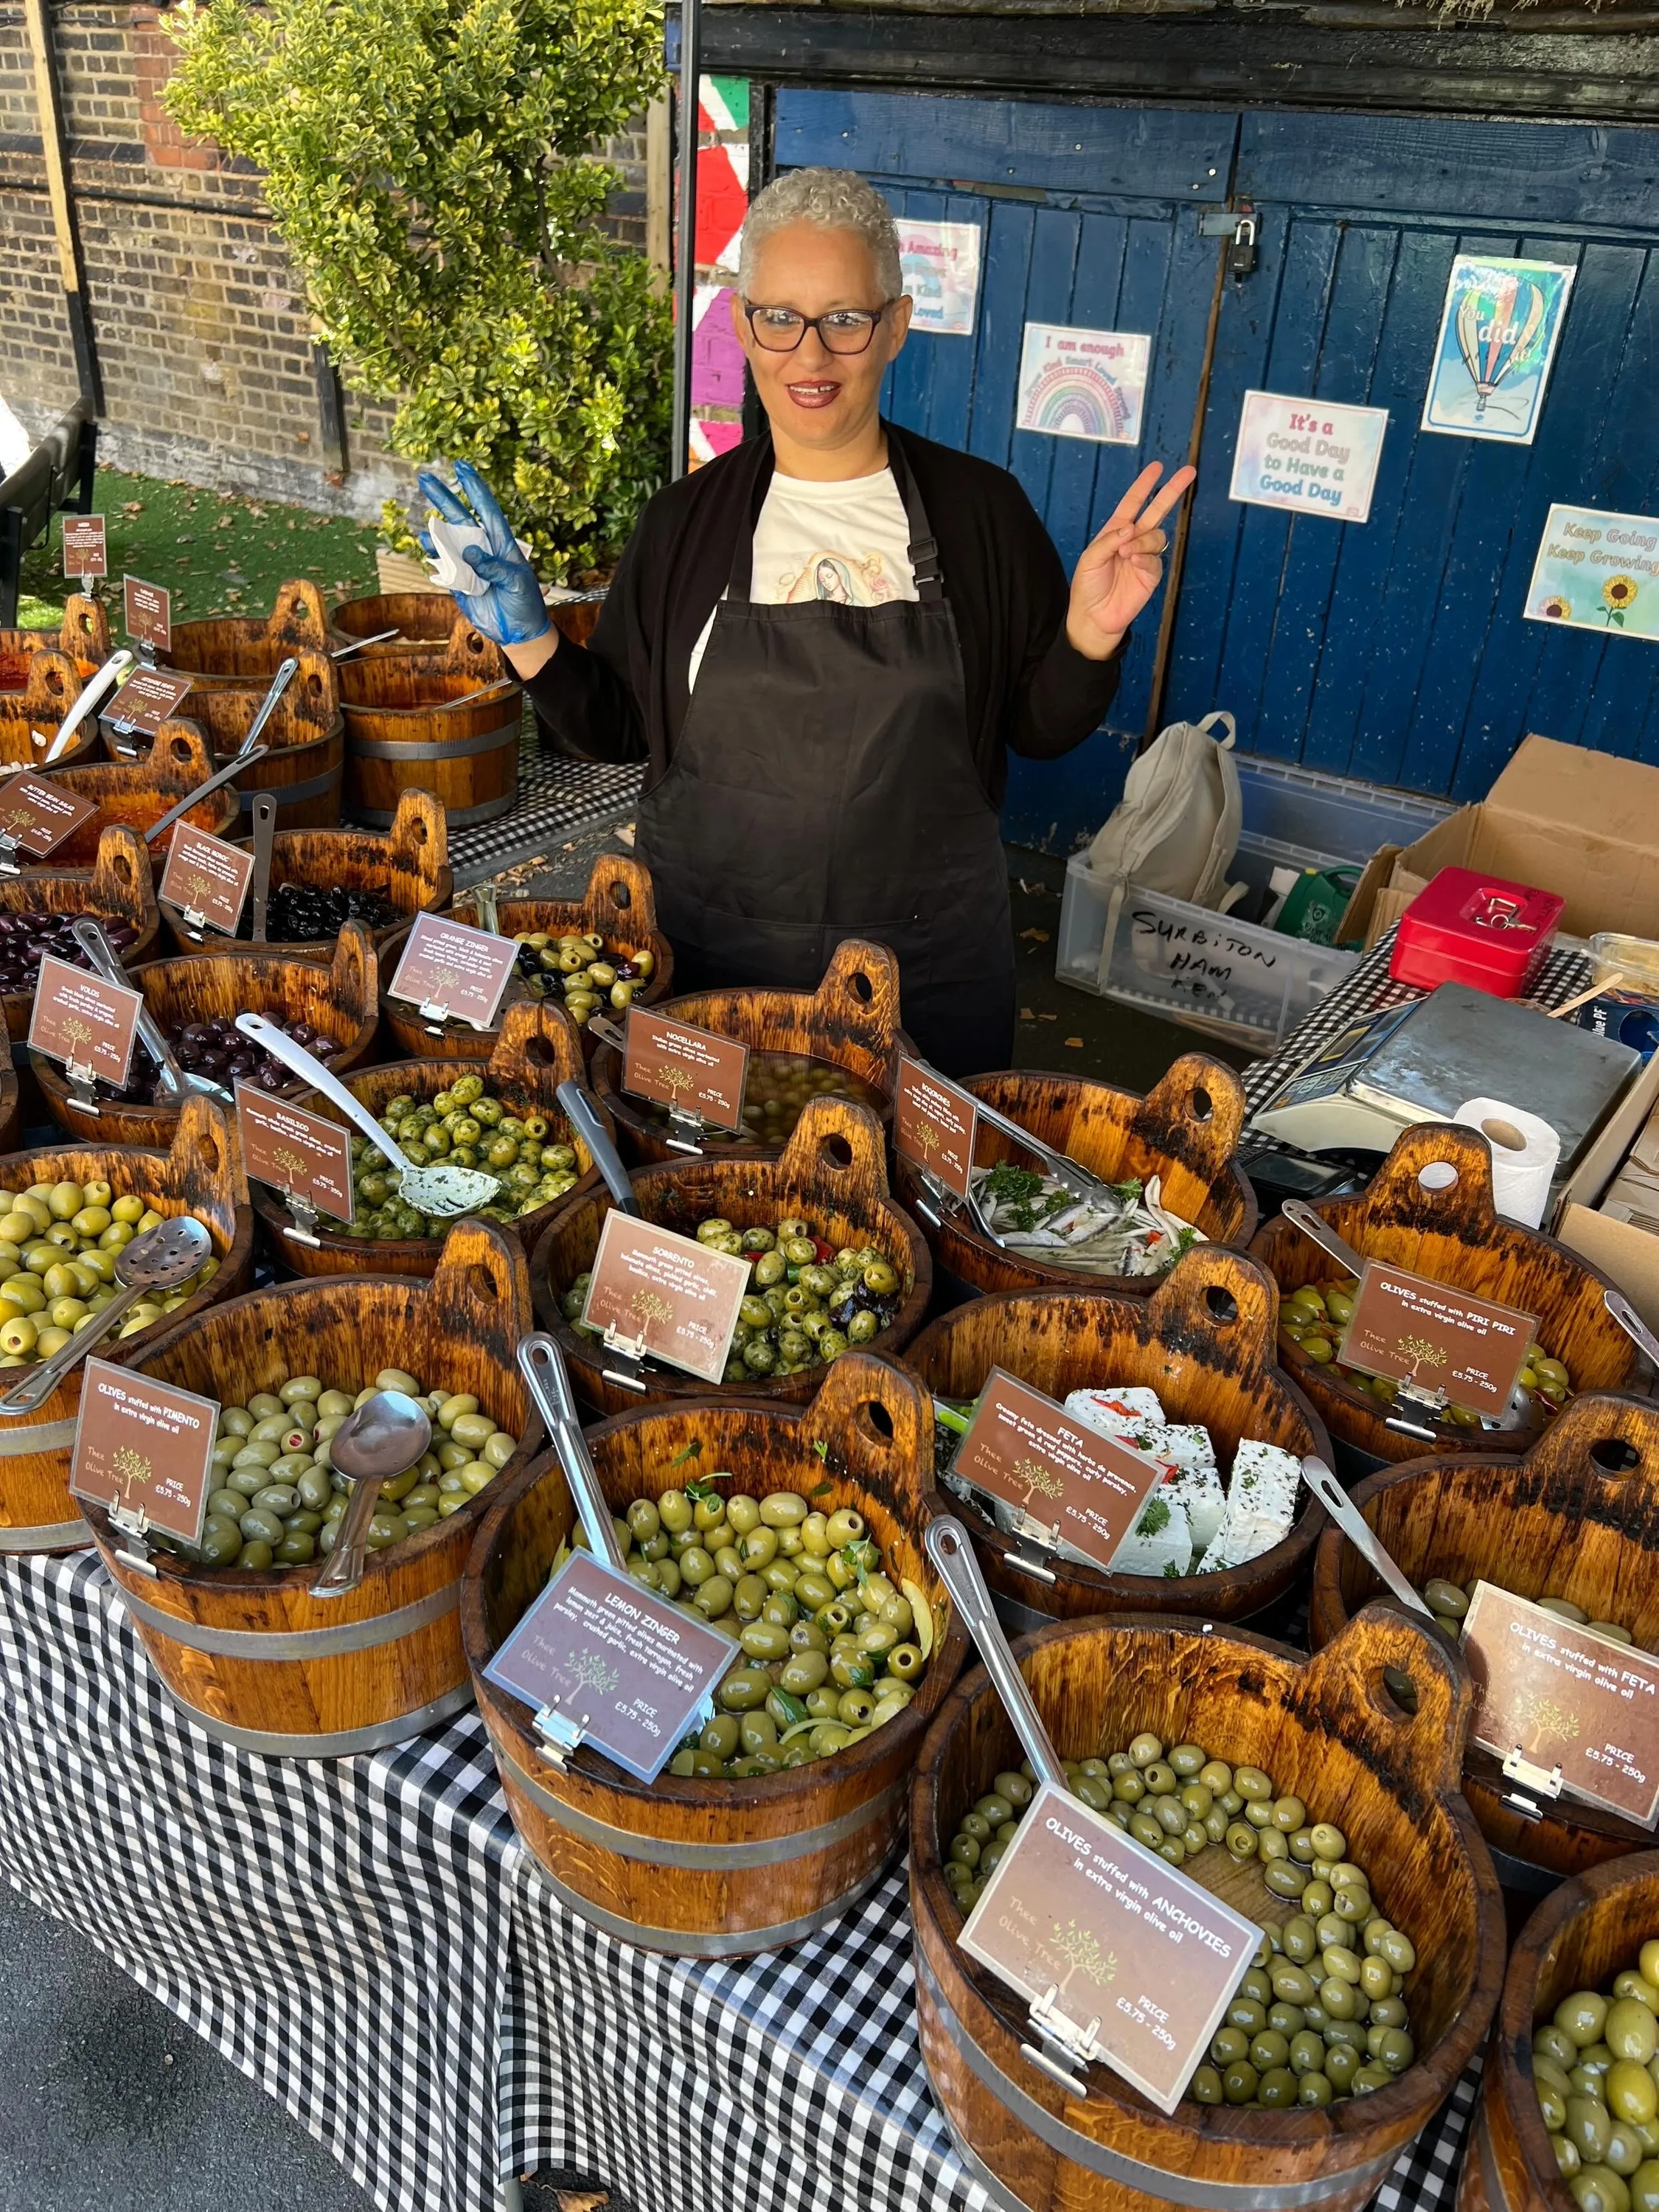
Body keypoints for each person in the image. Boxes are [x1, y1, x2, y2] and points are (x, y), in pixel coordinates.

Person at [418, 167, 1194, 1075]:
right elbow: (620, 726)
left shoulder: (981, 512)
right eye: (780, 318)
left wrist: (1089, 636)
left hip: (927, 977)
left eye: (845, 320)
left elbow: (1040, 727)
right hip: (709, 962)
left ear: (896, 326)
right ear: (745, 325)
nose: (810, 355)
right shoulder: (686, 523)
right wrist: (530, 638)